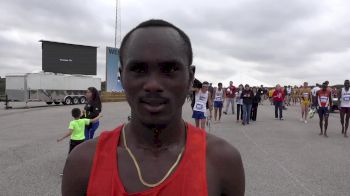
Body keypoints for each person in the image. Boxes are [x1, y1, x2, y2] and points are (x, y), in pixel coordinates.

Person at [61, 19, 245, 196]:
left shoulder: (223, 162)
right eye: (139, 69)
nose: (153, 84)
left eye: (170, 69)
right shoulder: (84, 162)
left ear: (190, 78)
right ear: (122, 77)